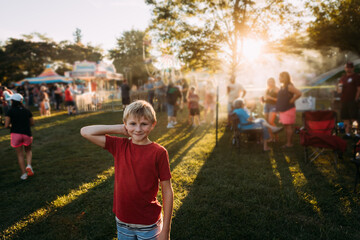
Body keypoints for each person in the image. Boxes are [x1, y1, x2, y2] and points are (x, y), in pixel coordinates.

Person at [80, 100, 173, 240]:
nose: (138, 129)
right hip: (123, 221)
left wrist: (166, 230)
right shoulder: (119, 145)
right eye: (133, 124)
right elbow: (85, 132)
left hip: (148, 223)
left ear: (153, 124)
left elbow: (167, 190)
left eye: (144, 124)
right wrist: (119, 129)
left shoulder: (159, 152)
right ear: (125, 124)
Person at [5, 93, 35, 180]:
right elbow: (32, 123)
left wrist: (12, 125)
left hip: (15, 134)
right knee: (28, 151)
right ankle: (29, 165)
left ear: (13, 101)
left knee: (20, 154)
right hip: (27, 133)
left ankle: (24, 174)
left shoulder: (10, 111)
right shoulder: (27, 111)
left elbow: (6, 125)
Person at [276, 71, 302, 148]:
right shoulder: (282, 86)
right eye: (280, 76)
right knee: (286, 126)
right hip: (283, 109)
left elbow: (299, 93)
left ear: (286, 78)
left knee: (289, 126)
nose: (280, 78)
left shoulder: (289, 86)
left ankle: (289, 143)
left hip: (289, 109)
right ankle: (288, 142)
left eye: (282, 76)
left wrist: (293, 99)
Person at [337, 62, 360, 138]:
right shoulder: (343, 78)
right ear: (345, 68)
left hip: (352, 100)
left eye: (350, 67)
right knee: (345, 118)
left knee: (354, 118)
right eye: (347, 67)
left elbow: (358, 89)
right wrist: (338, 89)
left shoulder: (356, 77)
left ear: (353, 68)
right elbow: (339, 89)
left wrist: (356, 98)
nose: (348, 69)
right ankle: (348, 133)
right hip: (344, 100)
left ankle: (356, 133)